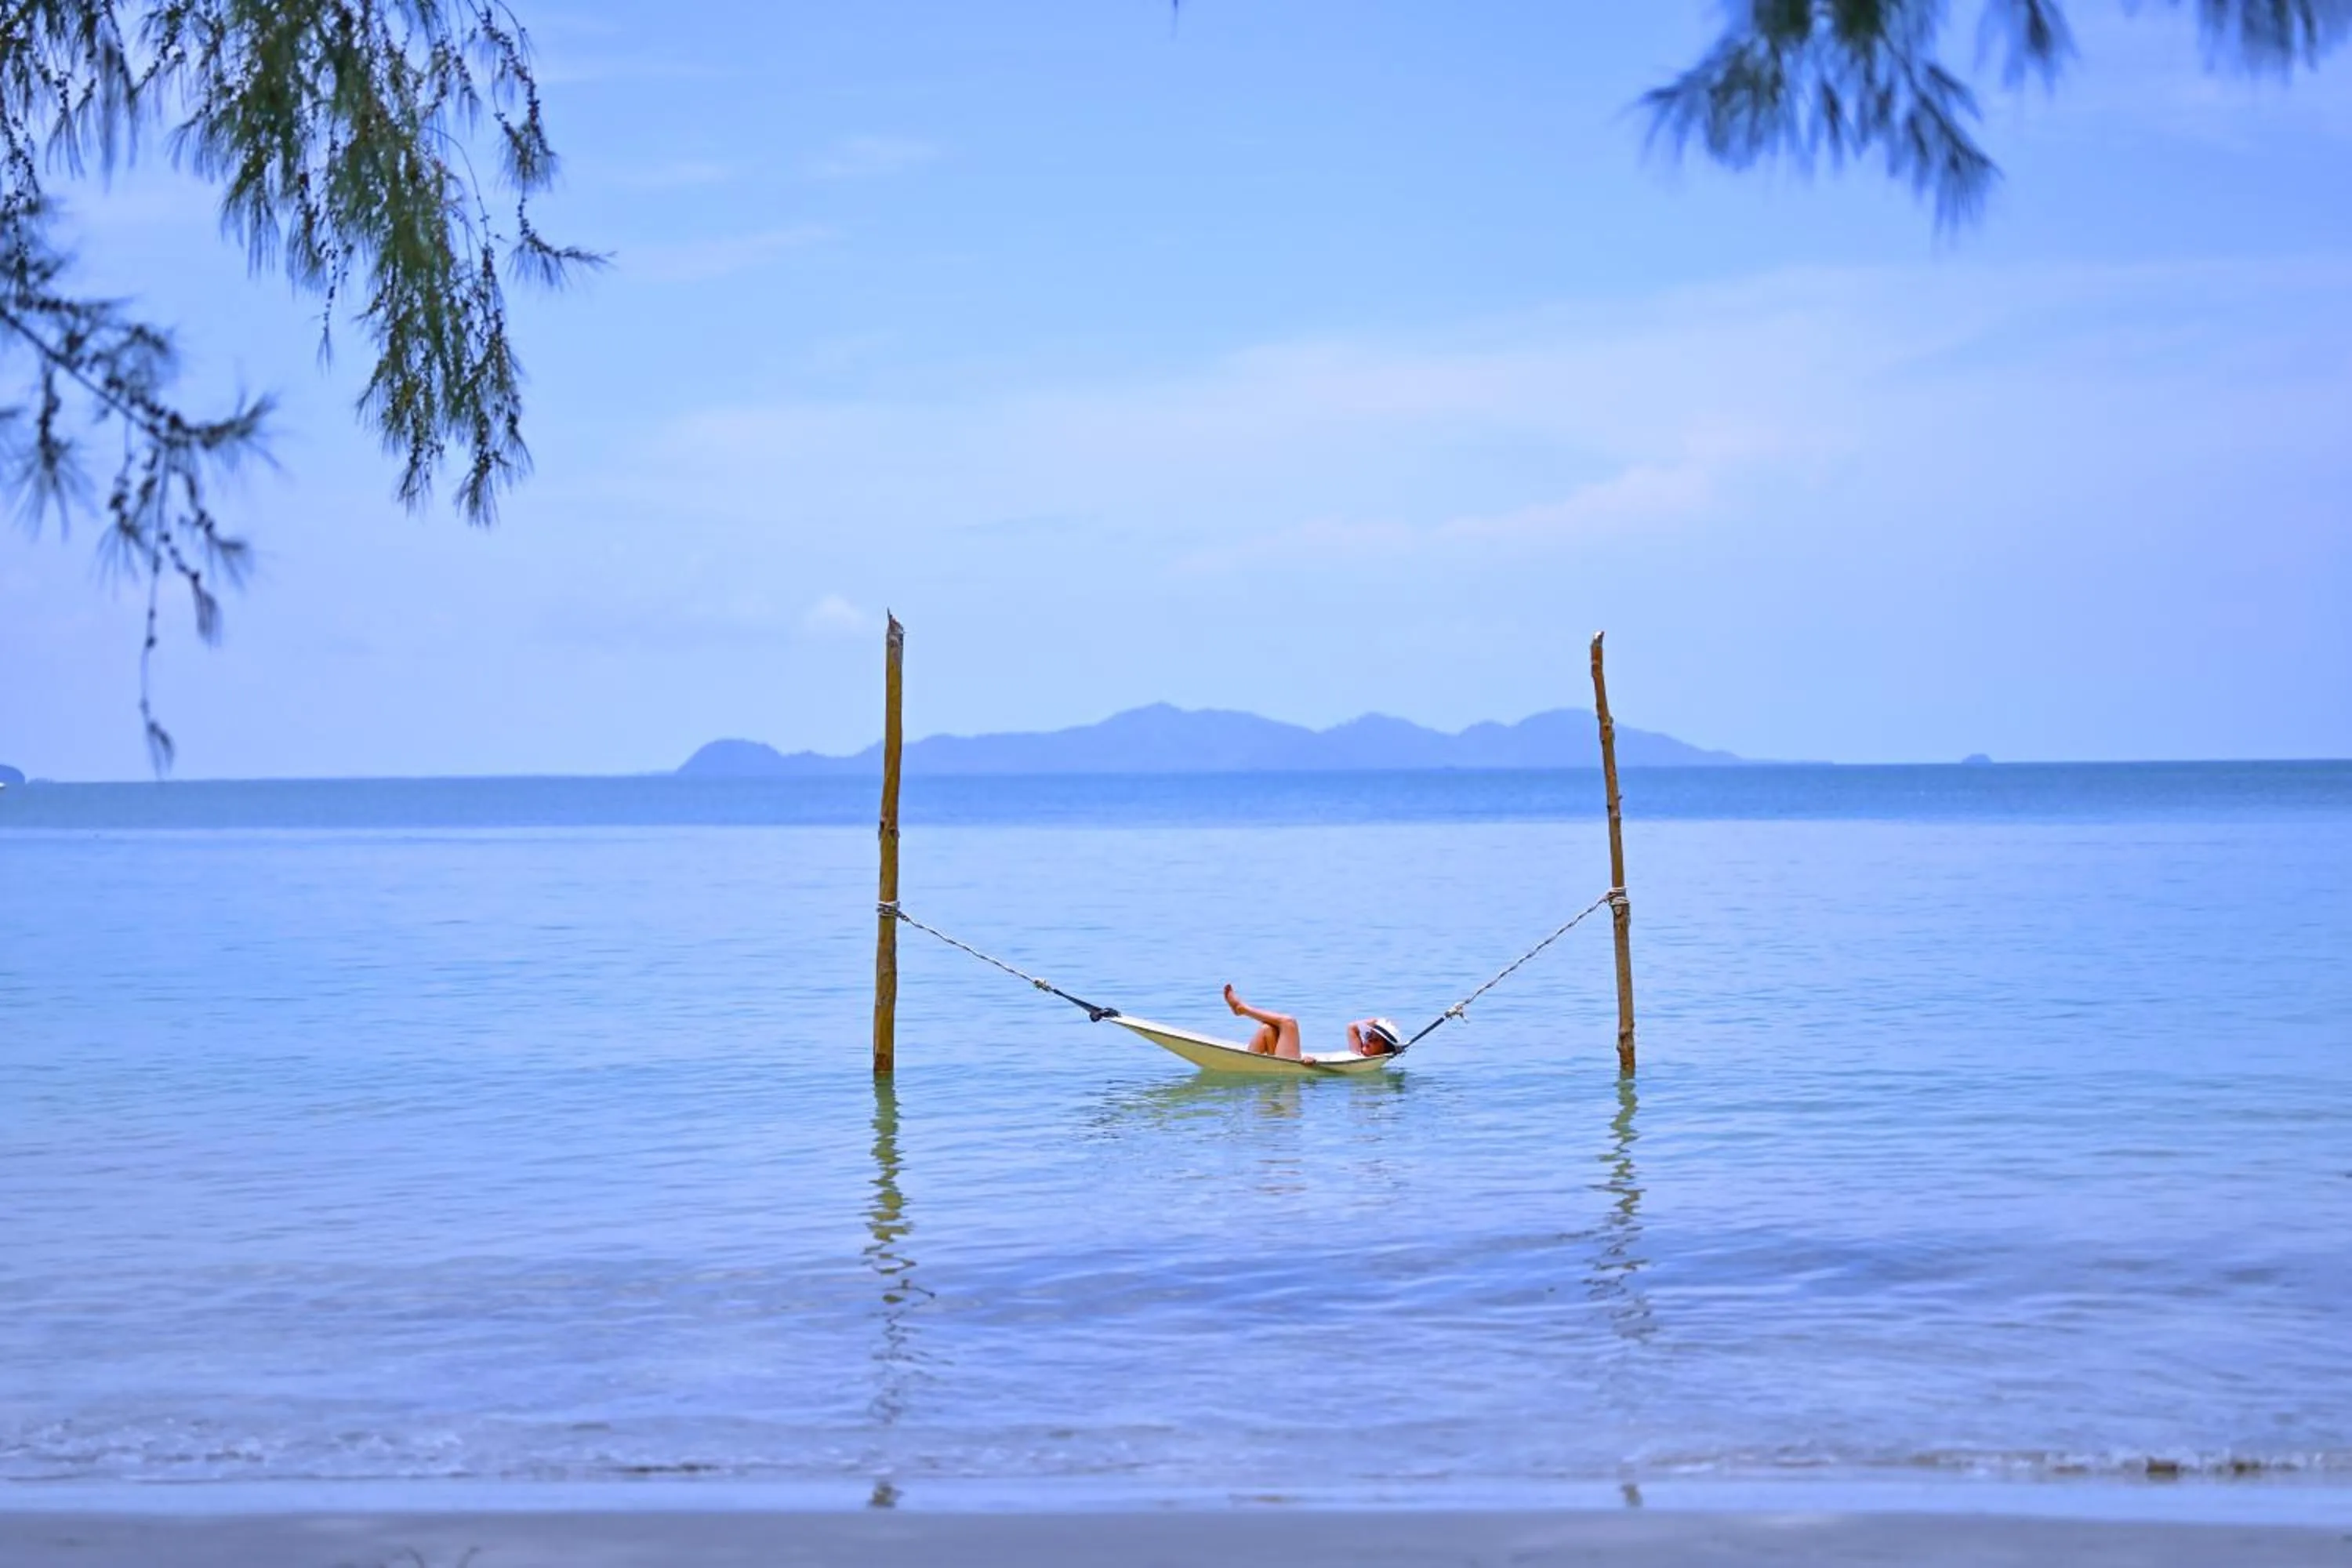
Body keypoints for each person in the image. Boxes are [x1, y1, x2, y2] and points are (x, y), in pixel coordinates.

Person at [1223, 984, 1402, 1060]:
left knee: (1289, 1023)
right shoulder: (1357, 1052)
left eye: (1374, 1040)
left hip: (1302, 1068)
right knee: (1268, 1029)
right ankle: (1246, 1062)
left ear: (1383, 1050)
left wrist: (1313, 1063)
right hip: (1299, 1064)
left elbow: (1332, 1075)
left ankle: (1243, 1009)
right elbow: (1352, 1027)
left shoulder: (1362, 1063)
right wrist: (1378, 1021)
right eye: (1369, 1036)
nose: (1367, 1040)